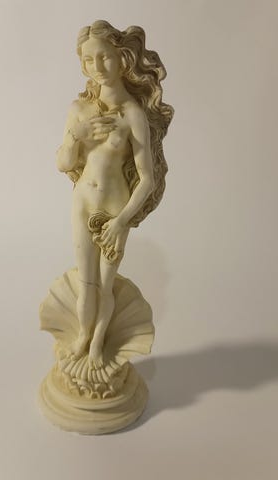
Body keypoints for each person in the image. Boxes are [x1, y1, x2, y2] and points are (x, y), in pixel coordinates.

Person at [56, 20, 173, 369]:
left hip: (113, 211)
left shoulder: (133, 114)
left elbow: (147, 179)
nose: (97, 67)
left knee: (104, 285)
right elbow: (64, 164)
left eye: (104, 57)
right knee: (86, 282)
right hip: (82, 205)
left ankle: (97, 342)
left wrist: (122, 222)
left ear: (122, 58)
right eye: (88, 60)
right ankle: (83, 336)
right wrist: (76, 135)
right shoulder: (79, 111)